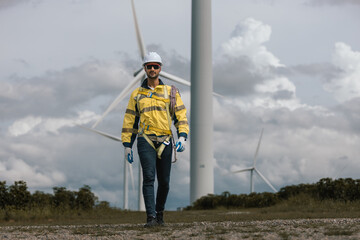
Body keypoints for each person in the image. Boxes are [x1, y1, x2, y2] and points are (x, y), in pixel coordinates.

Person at [121, 52, 189, 227]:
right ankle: (150, 217)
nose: (152, 69)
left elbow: (180, 115)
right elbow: (130, 120)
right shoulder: (136, 94)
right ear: (144, 68)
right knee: (149, 178)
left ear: (160, 68)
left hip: (166, 140)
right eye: (149, 66)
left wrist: (182, 136)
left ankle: (160, 214)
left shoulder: (170, 92)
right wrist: (127, 144)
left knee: (164, 182)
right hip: (145, 140)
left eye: (155, 66)